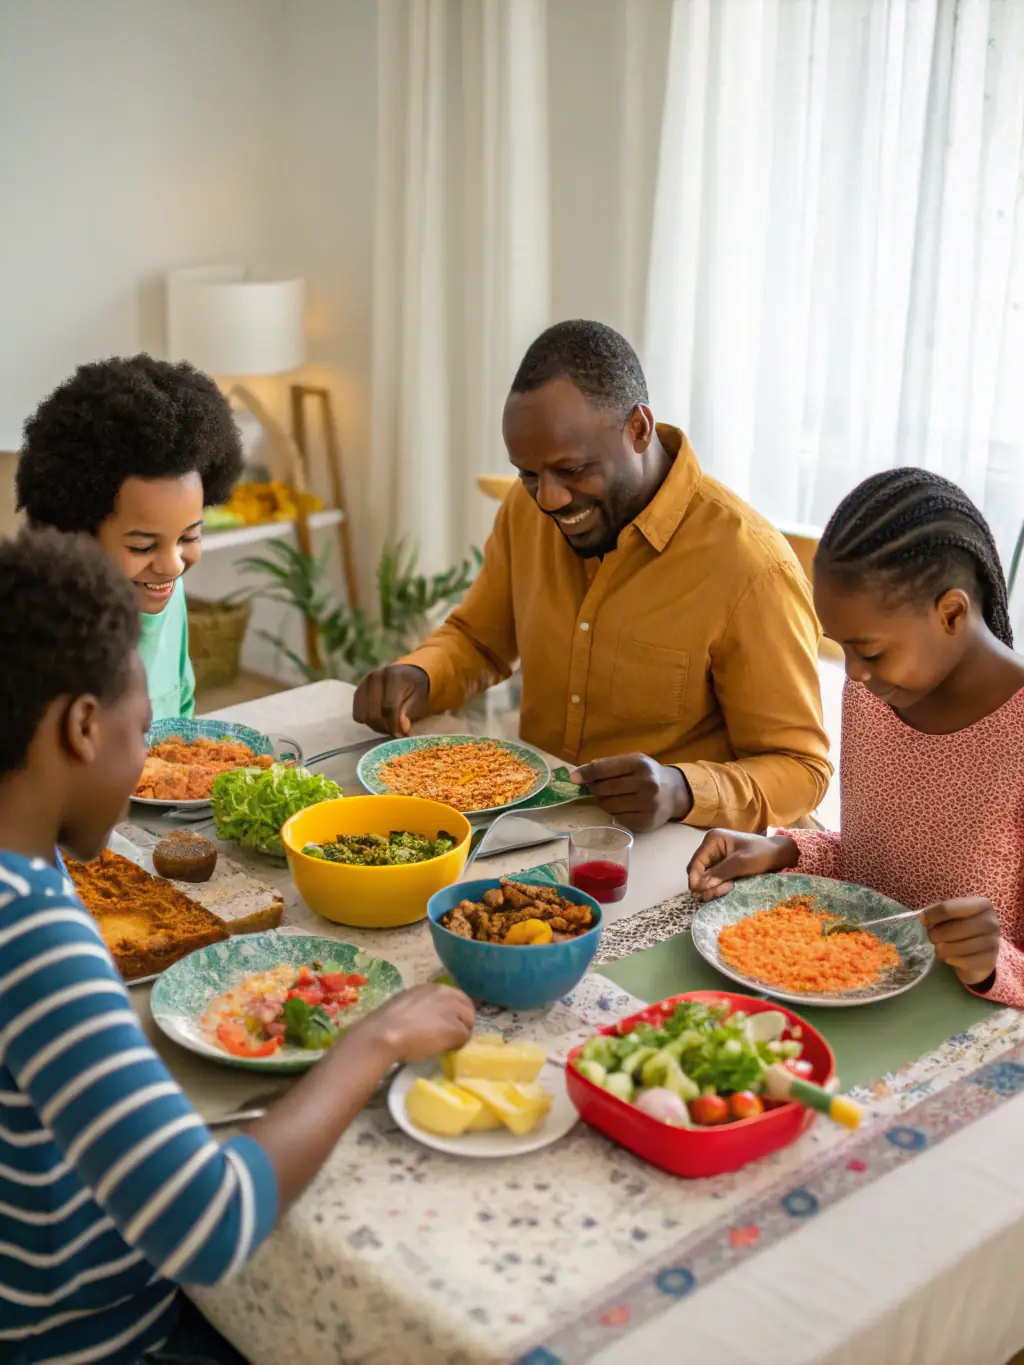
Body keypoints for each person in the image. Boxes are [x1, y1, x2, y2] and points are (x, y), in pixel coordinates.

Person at [0, 528, 475, 1365]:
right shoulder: (37, 937)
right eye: (142, 731)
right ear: (82, 726)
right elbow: (210, 1222)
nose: (147, 754)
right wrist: (378, 1039)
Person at [354, 320, 831, 832]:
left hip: (679, 850)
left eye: (574, 470)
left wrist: (681, 788)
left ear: (640, 429)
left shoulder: (751, 568)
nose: (550, 499)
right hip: (538, 828)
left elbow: (801, 769)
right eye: (529, 474)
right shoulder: (527, 509)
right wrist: (422, 675)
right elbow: (479, 641)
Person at [688, 468, 1024, 1007]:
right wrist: (782, 848)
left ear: (952, 612)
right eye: (841, 647)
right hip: (853, 994)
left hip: (967, 1025)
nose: (851, 673)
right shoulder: (878, 693)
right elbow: (875, 865)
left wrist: (994, 962)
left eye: (867, 650)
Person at [16, 354, 243, 721]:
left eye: (189, 537)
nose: (172, 565)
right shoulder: (44, 631)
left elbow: (181, 710)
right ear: (79, 532)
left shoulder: (166, 592)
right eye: (143, 546)